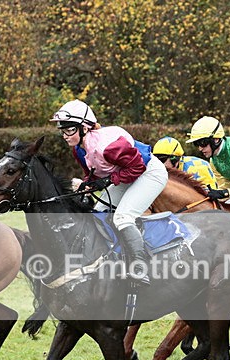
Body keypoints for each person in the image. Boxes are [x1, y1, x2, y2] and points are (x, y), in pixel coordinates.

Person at [50, 99, 168, 285]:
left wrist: (107, 181)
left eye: (69, 129)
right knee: (99, 214)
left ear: (85, 128)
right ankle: (113, 258)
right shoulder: (78, 149)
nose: (65, 135)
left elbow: (137, 168)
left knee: (123, 217)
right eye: (62, 130)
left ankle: (140, 267)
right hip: (128, 173)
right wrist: (88, 184)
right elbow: (94, 173)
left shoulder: (108, 146)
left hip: (149, 173)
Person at [152, 136, 217, 189]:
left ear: (174, 159)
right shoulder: (158, 170)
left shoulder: (198, 167)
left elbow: (210, 197)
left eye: (162, 160)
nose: (158, 164)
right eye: (156, 160)